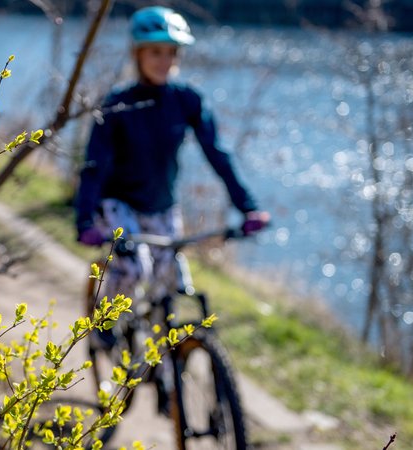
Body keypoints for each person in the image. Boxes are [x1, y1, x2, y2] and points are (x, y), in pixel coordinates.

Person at [75, 6, 270, 323]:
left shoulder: (187, 100)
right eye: (156, 52)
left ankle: (166, 367)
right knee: (135, 269)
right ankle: (102, 325)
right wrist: (84, 221)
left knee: (176, 286)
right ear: (138, 53)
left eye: (172, 53)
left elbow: (217, 154)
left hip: (163, 206)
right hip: (118, 204)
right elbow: (94, 165)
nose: (165, 61)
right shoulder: (116, 104)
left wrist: (248, 207)